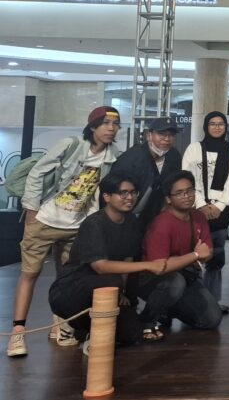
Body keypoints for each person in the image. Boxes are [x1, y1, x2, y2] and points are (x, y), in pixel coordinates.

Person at [7, 106, 122, 357]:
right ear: (93, 126)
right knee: (29, 274)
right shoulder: (71, 145)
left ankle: (60, 325)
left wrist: (92, 224)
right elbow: (38, 172)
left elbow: (99, 193)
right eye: (105, 123)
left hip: (77, 226)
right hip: (45, 220)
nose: (111, 129)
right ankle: (17, 332)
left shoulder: (113, 156)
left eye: (115, 124)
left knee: (67, 279)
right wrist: (31, 209)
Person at [48, 174, 155, 350]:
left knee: (132, 334)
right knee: (111, 280)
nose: (129, 197)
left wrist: (121, 292)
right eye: (123, 193)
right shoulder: (94, 223)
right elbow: (100, 266)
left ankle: (84, 331)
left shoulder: (132, 221)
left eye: (133, 192)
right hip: (71, 290)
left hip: (108, 287)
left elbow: (128, 257)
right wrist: (148, 265)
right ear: (107, 197)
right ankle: (73, 324)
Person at [137, 171, 222, 340]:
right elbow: (161, 266)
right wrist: (195, 255)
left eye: (190, 191)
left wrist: (198, 256)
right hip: (152, 279)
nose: (186, 196)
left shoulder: (198, 217)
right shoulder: (161, 224)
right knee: (175, 282)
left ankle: (166, 310)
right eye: (179, 193)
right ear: (168, 199)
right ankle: (147, 321)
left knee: (211, 320)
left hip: (187, 276)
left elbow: (208, 252)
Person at [182, 111, 229, 314]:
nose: (217, 127)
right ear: (206, 126)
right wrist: (201, 204)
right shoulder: (194, 149)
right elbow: (188, 178)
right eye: (213, 124)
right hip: (196, 210)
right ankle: (193, 301)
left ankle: (212, 302)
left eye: (221, 124)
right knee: (194, 257)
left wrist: (220, 205)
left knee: (216, 258)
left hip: (221, 212)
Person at [109, 116, 183, 228]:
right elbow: (114, 188)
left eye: (171, 135)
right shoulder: (131, 157)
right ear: (149, 135)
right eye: (162, 134)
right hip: (126, 214)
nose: (167, 139)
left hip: (153, 215)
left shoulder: (174, 156)